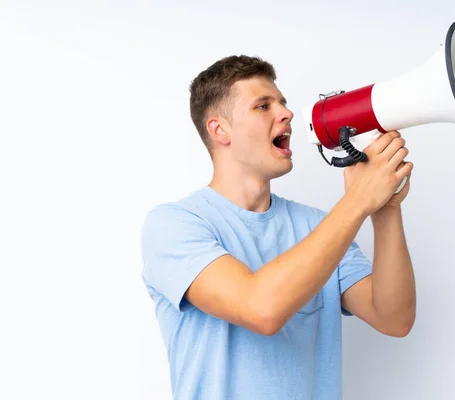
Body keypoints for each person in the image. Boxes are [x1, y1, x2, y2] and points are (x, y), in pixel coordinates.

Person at [140, 55, 416, 400]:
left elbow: (394, 318)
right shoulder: (174, 225)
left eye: (282, 103)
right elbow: (261, 309)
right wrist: (358, 201)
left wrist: (384, 206)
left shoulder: (318, 225)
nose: (285, 113)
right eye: (262, 106)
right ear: (219, 129)